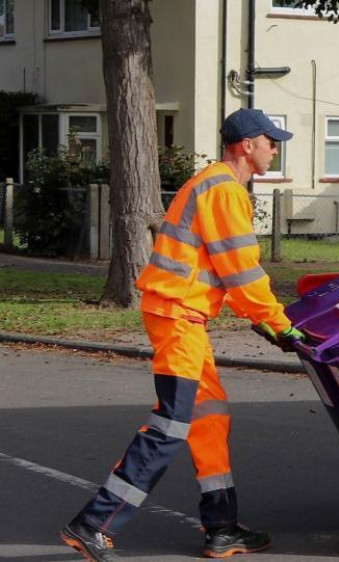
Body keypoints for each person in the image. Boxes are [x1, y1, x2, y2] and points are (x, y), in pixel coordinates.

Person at [59, 108, 305, 561]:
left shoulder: (214, 185)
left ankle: (222, 528)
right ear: (246, 145)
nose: (275, 148)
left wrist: (264, 321)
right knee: (170, 425)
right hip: (178, 318)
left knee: (209, 417)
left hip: (182, 315)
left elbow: (218, 271)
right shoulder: (225, 190)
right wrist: (279, 324)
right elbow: (243, 272)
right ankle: (92, 524)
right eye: (271, 140)